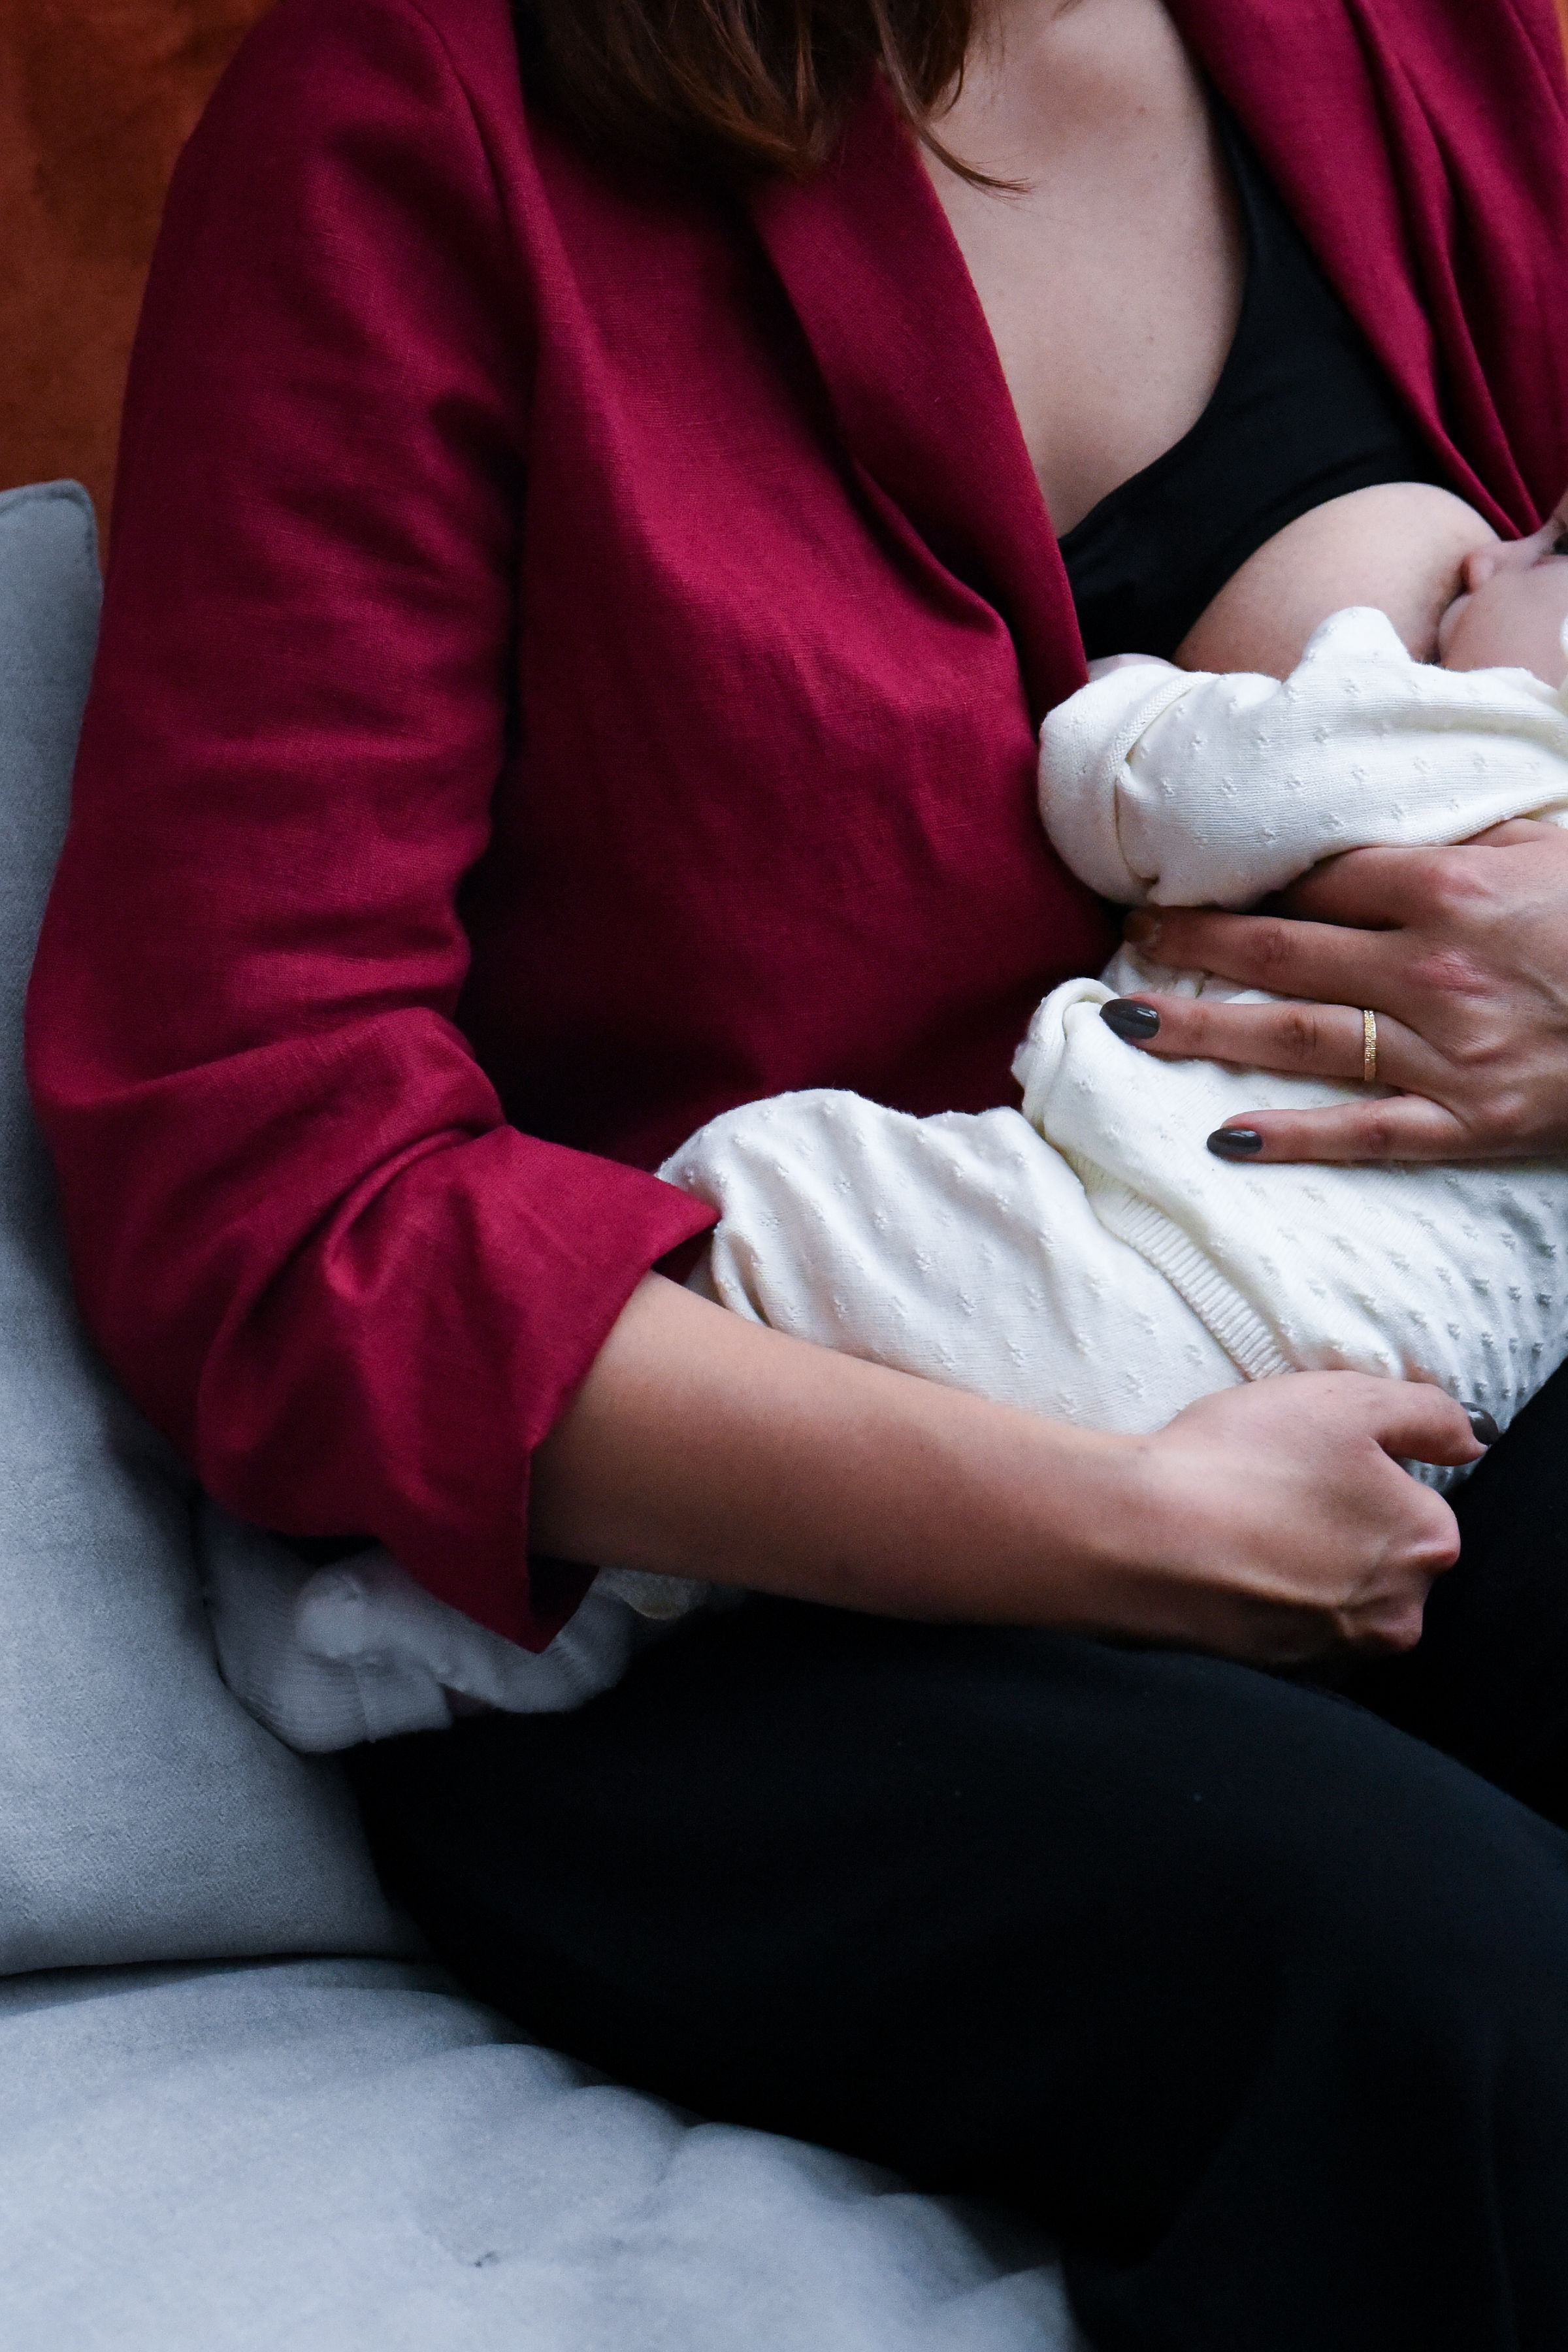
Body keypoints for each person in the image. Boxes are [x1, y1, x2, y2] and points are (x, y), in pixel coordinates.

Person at [22, 0, 1568, 2340]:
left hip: (1394, 1324)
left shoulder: (1444, 47)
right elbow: (259, 1183)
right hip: (737, 1590)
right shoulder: (412, 120)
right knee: (1460, 2005)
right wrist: (1126, 1533)